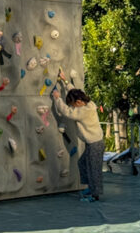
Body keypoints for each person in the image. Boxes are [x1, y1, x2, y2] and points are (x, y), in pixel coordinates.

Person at [51, 73, 104, 202]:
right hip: (94, 142)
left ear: (79, 103)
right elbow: (74, 92)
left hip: (94, 143)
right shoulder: (88, 103)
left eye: (73, 104)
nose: (72, 106)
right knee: (83, 163)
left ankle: (95, 195)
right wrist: (65, 81)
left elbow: (67, 112)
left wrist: (57, 99)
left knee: (93, 168)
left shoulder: (83, 112)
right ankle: (91, 188)